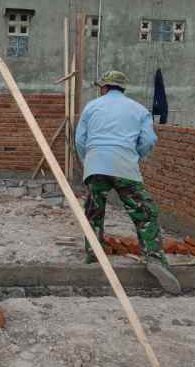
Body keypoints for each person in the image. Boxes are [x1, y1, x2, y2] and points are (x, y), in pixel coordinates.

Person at [75, 70, 181, 294]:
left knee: (94, 212)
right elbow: (150, 140)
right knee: (145, 212)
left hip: (96, 164)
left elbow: (80, 139)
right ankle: (154, 258)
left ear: (104, 87)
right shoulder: (139, 109)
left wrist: (90, 160)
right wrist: (136, 156)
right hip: (125, 165)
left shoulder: (91, 107)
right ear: (123, 88)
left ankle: (93, 256)